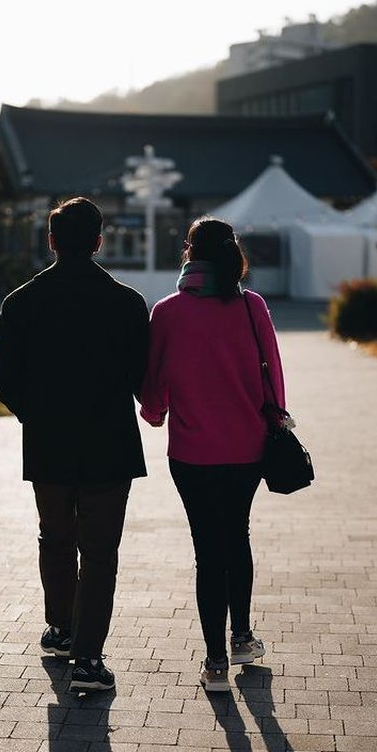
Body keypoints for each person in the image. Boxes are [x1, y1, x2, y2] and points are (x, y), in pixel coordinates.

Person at [0, 197, 149, 691]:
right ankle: (87, 659)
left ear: (52, 240)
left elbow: (2, 373)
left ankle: (60, 628)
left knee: (54, 539)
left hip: (49, 442)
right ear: (100, 241)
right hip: (109, 443)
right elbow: (142, 374)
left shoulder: (21, 302)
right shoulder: (126, 302)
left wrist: (33, 414)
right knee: (99, 553)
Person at [140, 217, 286, 692]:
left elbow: (155, 378)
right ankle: (242, 637)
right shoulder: (251, 306)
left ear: (189, 254)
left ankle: (215, 663)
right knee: (237, 537)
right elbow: (273, 375)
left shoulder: (166, 311)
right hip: (247, 446)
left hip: (192, 449)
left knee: (208, 550)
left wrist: (156, 412)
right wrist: (277, 419)